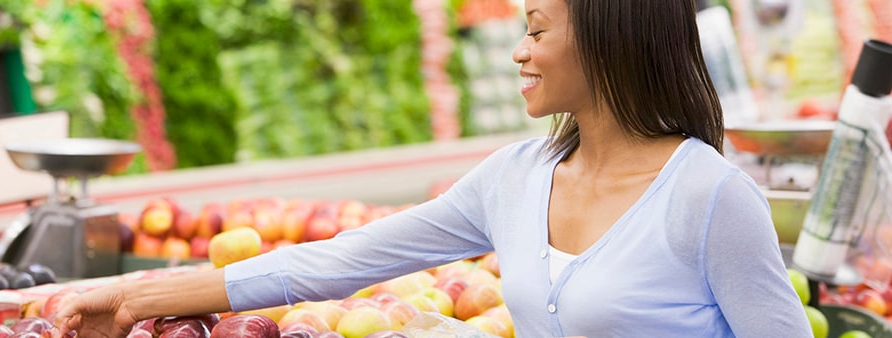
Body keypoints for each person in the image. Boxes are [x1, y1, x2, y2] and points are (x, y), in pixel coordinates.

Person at [54, 0, 812, 336]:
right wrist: (133, 296)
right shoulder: (514, 178)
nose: (519, 50)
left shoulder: (708, 197)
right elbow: (335, 263)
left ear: (609, 41)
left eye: (537, 29)